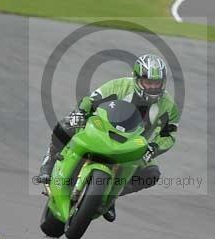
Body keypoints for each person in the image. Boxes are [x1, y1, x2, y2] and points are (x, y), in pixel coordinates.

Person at [37, 54, 180, 222]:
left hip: (132, 146)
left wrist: (153, 147)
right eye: (148, 82)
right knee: (66, 125)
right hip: (100, 130)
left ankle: (112, 194)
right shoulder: (119, 86)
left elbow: (169, 135)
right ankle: (49, 162)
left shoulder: (169, 106)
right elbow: (90, 100)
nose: (152, 87)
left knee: (152, 173)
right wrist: (80, 113)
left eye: (157, 83)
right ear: (136, 78)